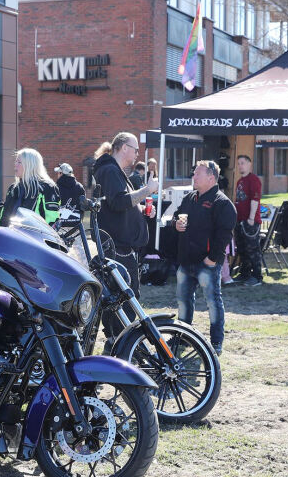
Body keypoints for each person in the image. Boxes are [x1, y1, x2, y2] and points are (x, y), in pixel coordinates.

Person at [92, 132, 158, 334]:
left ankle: (118, 340)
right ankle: (121, 342)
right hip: (118, 247)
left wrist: (142, 210)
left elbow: (121, 204)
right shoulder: (110, 170)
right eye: (135, 148)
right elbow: (119, 201)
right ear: (123, 148)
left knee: (120, 297)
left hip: (120, 246)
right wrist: (147, 190)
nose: (138, 153)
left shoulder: (114, 171)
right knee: (124, 298)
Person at [174, 160, 236, 355]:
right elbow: (177, 215)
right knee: (184, 301)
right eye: (194, 174)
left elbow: (225, 234)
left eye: (197, 174)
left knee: (212, 302)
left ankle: (216, 342)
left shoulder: (222, 202)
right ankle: (183, 338)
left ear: (211, 177)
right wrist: (177, 223)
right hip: (186, 261)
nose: (193, 177)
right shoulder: (190, 198)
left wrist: (212, 259)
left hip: (206, 264)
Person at [0, 148, 60, 226]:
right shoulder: (14, 188)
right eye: (16, 161)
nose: (15, 164)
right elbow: (4, 217)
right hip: (11, 236)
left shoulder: (47, 187)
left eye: (19, 162)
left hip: (35, 237)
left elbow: (52, 221)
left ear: (29, 165)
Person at [232, 154, 263, 286]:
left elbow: (255, 199)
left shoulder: (254, 180)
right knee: (242, 249)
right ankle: (245, 273)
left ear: (250, 164)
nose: (240, 165)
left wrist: (251, 218)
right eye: (239, 163)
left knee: (253, 249)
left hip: (250, 222)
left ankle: (257, 276)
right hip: (239, 221)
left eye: (243, 163)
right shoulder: (240, 181)